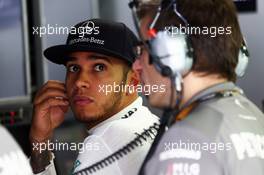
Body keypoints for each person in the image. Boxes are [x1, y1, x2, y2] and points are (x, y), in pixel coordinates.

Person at [131, 0, 264, 174]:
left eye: (143, 51)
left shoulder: (187, 140)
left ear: (172, 52)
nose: (136, 66)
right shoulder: (254, 117)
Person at [29, 18, 159, 175]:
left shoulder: (105, 141)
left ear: (132, 81)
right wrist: (41, 142)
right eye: (74, 67)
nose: (79, 82)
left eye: (99, 67)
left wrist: (39, 141)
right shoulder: (150, 122)